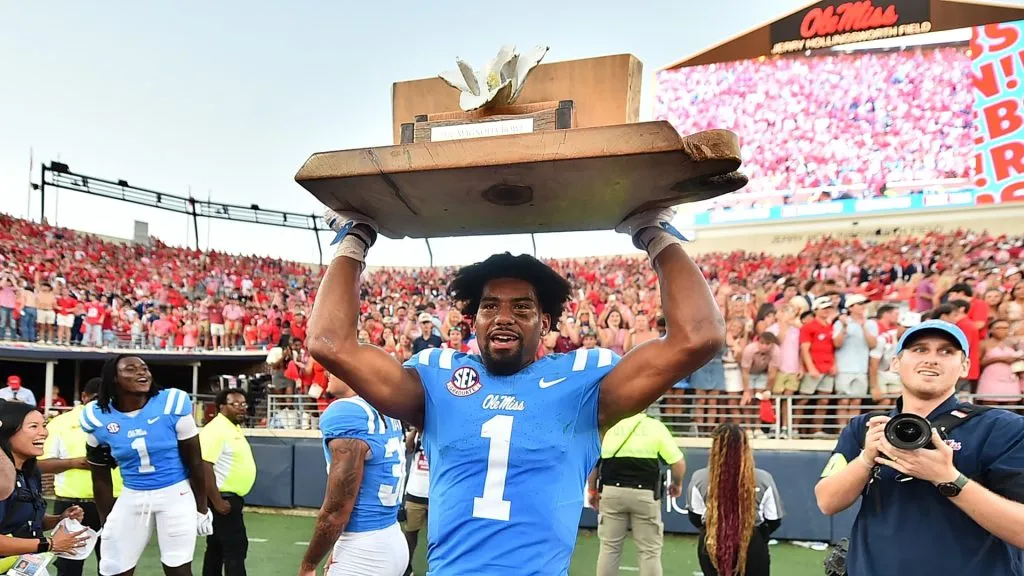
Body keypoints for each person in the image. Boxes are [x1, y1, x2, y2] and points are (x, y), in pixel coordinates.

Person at [307, 207, 725, 574]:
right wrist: (356, 238)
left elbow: (698, 336)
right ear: (474, 321)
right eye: (490, 306)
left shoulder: (584, 383)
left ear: (545, 323)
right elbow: (329, 343)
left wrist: (652, 232)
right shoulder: (436, 379)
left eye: (522, 307)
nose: (503, 317)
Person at [815, 320, 1024, 575]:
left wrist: (948, 478)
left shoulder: (1001, 428)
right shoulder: (866, 427)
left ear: (965, 366)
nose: (931, 359)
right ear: (895, 363)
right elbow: (827, 502)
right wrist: (866, 459)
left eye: (946, 352)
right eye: (919, 349)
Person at [80, 355, 211, 576]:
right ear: (113, 378)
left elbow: (195, 462)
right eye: (130, 369)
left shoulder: (171, 403)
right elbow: (100, 476)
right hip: (133, 493)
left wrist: (202, 508)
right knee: (112, 566)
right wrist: (106, 518)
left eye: (144, 368)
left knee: (177, 566)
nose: (142, 373)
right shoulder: (98, 416)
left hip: (175, 492)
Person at [298, 374, 408, 576]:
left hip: (364, 553)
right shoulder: (383, 408)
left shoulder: (347, 412)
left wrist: (308, 565)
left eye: (335, 368)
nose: (328, 373)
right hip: (391, 536)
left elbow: (337, 509)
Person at [39, 377, 124, 576]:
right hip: (73, 507)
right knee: (69, 568)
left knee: (115, 566)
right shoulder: (61, 423)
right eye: (95, 398)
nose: (100, 404)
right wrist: (75, 463)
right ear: (84, 397)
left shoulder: (123, 421)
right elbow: (39, 465)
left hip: (117, 503)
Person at [589, 408, 685, 576]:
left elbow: (594, 463)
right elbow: (678, 463)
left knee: (609, 548)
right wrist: (677, 484)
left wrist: (592, 489)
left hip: (611, 493)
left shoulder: (609, 427)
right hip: (645, 494)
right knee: (649, 552)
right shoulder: (656, 427)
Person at [0, 400, 91, 567]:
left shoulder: (30, 473)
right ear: (7, 432)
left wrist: (59, 519)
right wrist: (49, 544)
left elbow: (25, 521)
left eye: (44, 425)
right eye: (33, 426)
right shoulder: (3, 477)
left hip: (21, 567)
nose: (44, 433)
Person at [687, 422, 784, 576]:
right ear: (745, 447)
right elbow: (774, 520)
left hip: (711, 543)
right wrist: (756, 536)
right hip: (752, 545)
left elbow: (695, 517)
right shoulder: (763, 478)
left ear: (714, 448)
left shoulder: (699, 478)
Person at [200, 389, 257, 576]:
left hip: (229, 499)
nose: (241, 408)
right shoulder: (216, 429)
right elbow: (204, 465)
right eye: (235, 404)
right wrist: (217, 501)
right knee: (236, 548)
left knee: (216, 548)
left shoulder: (232, 427)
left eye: (244, 404)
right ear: (221, 407)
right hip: (223, 500)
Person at [400, 426, 429, 576]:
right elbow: (408, 447)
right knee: (410, 534)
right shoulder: (418, 435)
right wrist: (417, 428)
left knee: (439, 536)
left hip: (437, 494)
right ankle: (406, 568)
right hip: (415, 492)